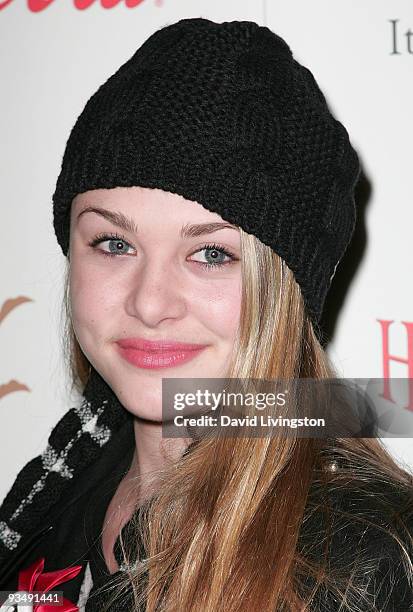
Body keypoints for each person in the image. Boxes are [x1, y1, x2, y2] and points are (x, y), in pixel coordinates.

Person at [1, 16, 412, 612]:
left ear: (283, 289)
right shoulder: (57, 487)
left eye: (211, 254)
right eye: (114, 244)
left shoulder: (353, 564)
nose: (149, 302)